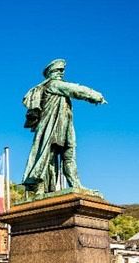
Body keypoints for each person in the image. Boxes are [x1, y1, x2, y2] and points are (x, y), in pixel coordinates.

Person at [21, 59, 106, 195]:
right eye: (58, 70)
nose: (62, 72)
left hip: (65, 128)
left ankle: (76, 184)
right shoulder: (52, 84)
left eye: (62, 70)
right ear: (51, 72)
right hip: (50, 127)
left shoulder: (55, 85)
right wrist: (96, 96)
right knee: (46, 156)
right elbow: (76, 90)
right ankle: (40, 187)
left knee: (69, 155)